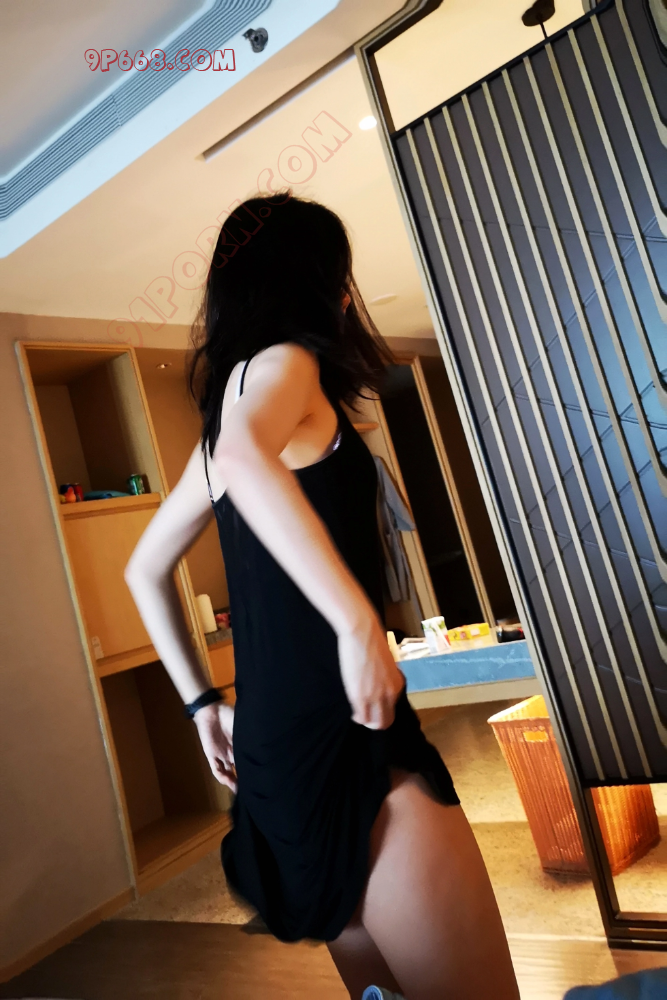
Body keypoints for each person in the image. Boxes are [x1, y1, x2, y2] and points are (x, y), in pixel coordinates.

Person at [125, 192, 519, 1000]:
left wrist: (201, 706)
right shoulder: (286, 365)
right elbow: (245, 460)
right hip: (351, 743)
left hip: (280, 763)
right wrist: (356, 624)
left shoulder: (226, 416)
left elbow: (144, 569)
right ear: (317, 283)